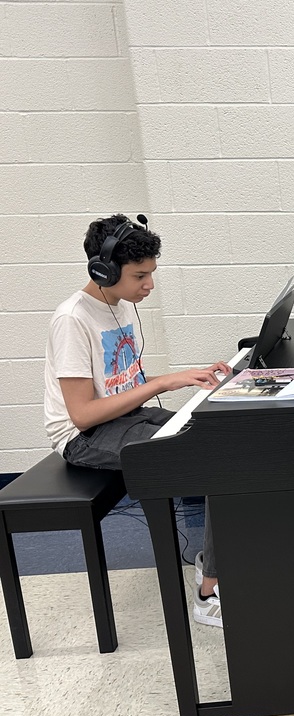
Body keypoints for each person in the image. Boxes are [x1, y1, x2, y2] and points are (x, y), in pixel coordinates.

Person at [43, 214, 232, 626]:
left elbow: (123, 385)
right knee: (217, 467)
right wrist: (163, 383)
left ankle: (217, 556)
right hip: (84, 436)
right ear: (104, 269)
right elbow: (82, 414)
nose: (149, 285)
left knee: (225, 439)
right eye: (140, 276)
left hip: (127, 417)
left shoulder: (120, 305)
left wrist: (191, 377)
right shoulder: (73, 320)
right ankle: (210, 591)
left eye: (152, 273)